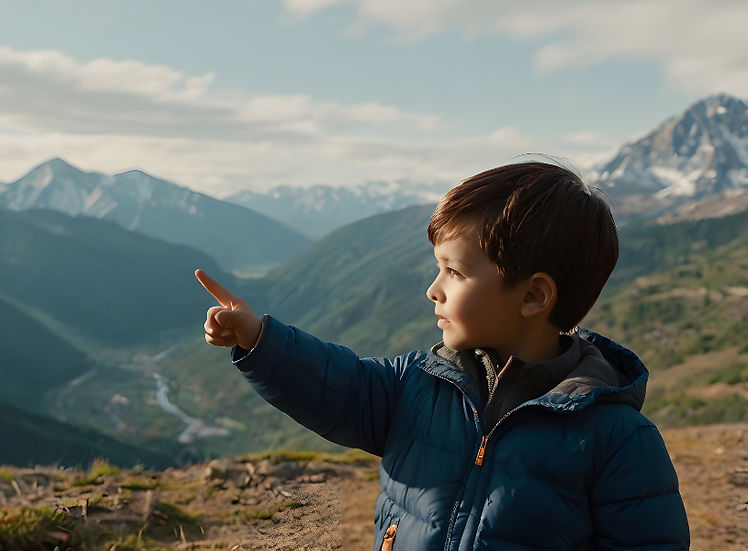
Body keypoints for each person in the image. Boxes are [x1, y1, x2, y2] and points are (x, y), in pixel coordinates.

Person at [195, 159, 690, 550]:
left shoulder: (618, 441)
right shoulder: (418, 382)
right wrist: (259, 338)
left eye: (454, 272)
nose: (433, 290)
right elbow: (335, 385)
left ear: (534, 297)